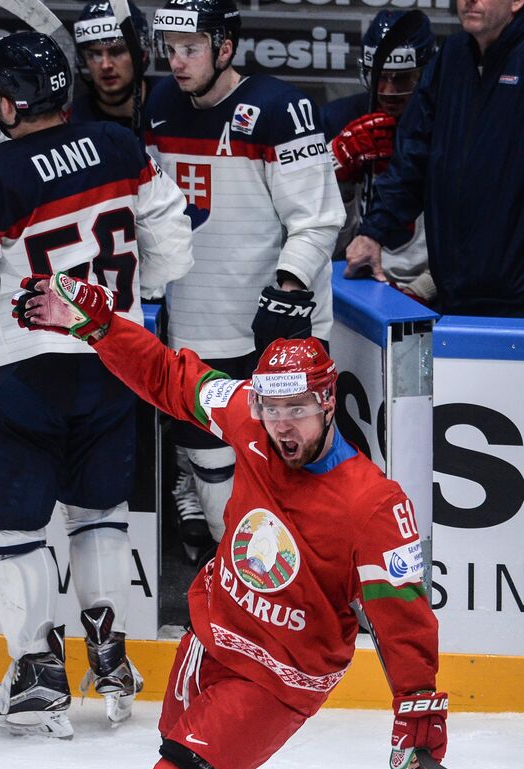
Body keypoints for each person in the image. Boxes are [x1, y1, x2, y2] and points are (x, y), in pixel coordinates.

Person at [13, 272, 447, 769]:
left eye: (298, 409)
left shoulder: (372, 503)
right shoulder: (246, 413)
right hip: (211, 636)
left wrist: (417, 700)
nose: (280, 424)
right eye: (272, 407)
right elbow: (166, 374)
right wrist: (97, 327)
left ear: (327, 402)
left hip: (281, 676)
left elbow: (401, 614)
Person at [0, 32, 193, 737]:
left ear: (2, 102)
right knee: (98, 512)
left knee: (12, 526)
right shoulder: (120, 147)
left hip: (22, 370)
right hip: (116, 358)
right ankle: (110, 655)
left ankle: (35, 673)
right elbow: (172, 251)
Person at [144, 0, 345, 563]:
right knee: (212, 472)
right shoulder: (160, 105)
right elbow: (156, 212)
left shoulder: (282, 107)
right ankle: (242, 586)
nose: (177, 62)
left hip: (275, 331)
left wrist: (287, 288)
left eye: (191, 49)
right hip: (195, 325)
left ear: (225, 48)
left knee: (294, 471)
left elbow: (319, 218)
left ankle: (307, 600)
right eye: (171, 50)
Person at [345, 0, 524, 317]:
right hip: (454, 296)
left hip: (516, 302)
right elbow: (413, 157)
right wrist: (374, 232)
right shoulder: (452, 58)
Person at [321, 10, 437, 304]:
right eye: (380, 77)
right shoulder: (338, 120)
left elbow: (473, 232)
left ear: (425, 74)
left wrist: (424, 289)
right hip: (354, 282)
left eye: (401, 79)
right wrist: (336, 173)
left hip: (433, 289)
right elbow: (313, 241)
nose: (388, 91)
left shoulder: (452, 125)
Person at [71, 0, 154, 130]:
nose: (105, 65)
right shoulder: (71, 121)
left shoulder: (170, 101)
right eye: (95, 54)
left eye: (117, 52)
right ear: (83, 59)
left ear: (142, 53)